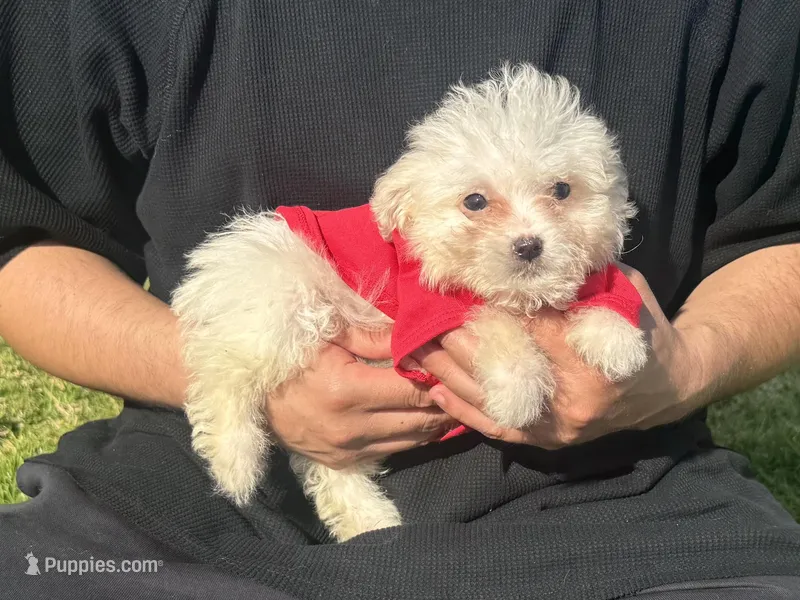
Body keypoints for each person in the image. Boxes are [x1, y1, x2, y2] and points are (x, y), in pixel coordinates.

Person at [0, 0, 798, 598]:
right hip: (172, 507)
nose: (527, 233)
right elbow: (21, 238)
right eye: (480, 204)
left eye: (559, 193)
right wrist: (205, 373)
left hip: (640, 510)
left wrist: (687, 362)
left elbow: (783, 234)